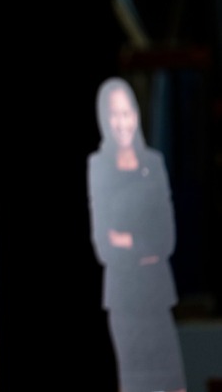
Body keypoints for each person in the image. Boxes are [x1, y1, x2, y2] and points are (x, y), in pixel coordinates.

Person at [87, 77, 187, 392]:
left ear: (137, 115)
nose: (122, 122)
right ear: (105, 118)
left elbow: (166, 239)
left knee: (172, 382)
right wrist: (143, 247)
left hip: (157, 293)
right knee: (134, 382)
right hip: (122, 299)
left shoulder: (154, 163)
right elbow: (104, 245)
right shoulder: (98, 165)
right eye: (114, 114)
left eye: (127, 113)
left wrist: (129, 241)